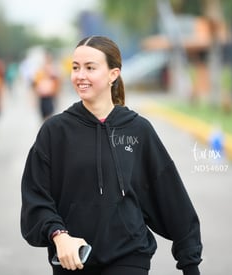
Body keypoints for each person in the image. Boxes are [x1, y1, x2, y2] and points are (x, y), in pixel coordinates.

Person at [20, 36, 202, 275]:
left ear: (113, 74)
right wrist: (59, 235)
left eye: (90, 68)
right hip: (73, 259)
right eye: (75, 68)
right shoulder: (55, 132)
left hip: (129, 256)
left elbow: (170, 195)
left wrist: (190, 263)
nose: (80, 75)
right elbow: (36, 198)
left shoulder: (138, 130)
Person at [32, 52, 62, 121]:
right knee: (43, 116)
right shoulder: (40, 72)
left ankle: (48, 129)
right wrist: (34, 98)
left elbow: (58, 83)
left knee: (49, 116)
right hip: (42, 97)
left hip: (50, 97)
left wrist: (58, 96)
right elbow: (35, 85)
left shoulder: (54, 71)